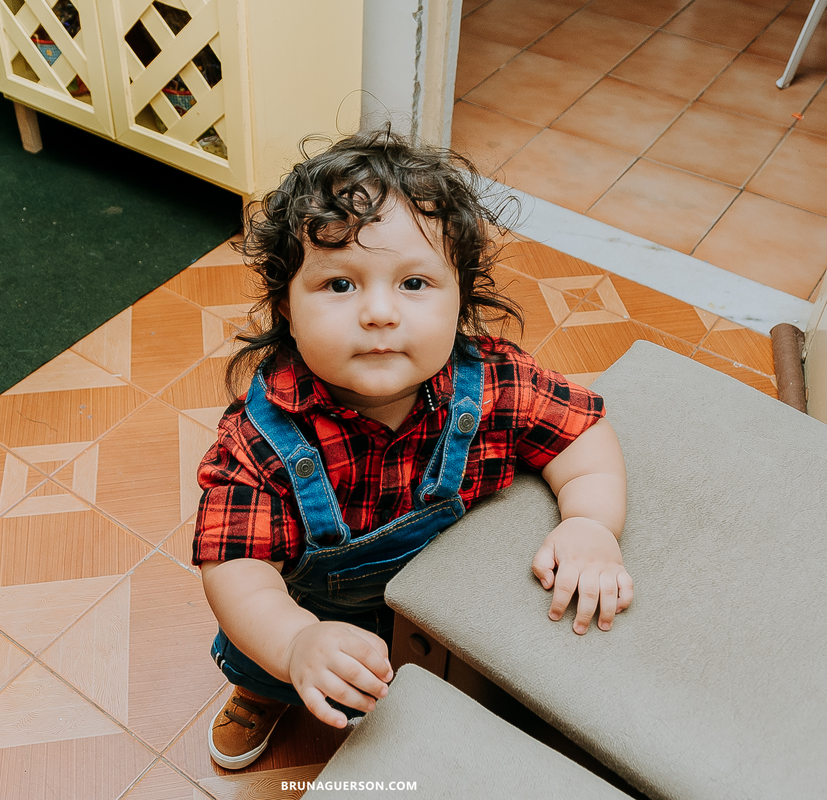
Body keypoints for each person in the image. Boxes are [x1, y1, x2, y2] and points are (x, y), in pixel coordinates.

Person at [192, 129, 633, 771]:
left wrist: (591, 524)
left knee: (458, 679)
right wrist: (292, 644)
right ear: (285, 307)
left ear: (461, 299)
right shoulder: (260, 441)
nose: (377, 312)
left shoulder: (493, 385)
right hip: (309, 613)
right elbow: (233, 566)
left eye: (415, 283)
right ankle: (263, 692)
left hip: (439, 601)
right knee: (271, 660)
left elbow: (581, 435)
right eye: (339, 285)